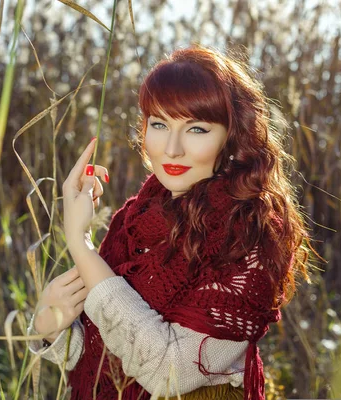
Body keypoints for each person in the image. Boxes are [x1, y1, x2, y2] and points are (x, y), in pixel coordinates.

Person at [27, 44, 311, 400]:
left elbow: (168, 372)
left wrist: (80, 245)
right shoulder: (133, 220)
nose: (172, 148)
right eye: (159, 124)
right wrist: (49, 327)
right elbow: (106, 354)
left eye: (197, 129)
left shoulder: (249, 235)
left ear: (233, 136)